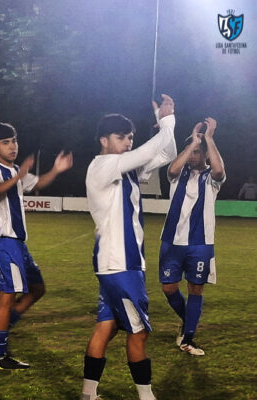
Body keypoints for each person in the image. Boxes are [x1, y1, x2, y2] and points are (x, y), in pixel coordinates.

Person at [82, 94, 177, 400]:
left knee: (106, 326)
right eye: (120, 137)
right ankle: (146, 396)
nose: (127, 142)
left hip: (119, 264)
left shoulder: (128, 169)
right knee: (139, 332)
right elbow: (149, 149)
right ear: (104, 140)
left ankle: (88, 394)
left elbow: (168, 152)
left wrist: (165, 123)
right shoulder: (103, 165)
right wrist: (167, 122)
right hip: (120, 265)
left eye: (130, 137)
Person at [0, 123, 73, 369]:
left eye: (14, 141)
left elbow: (39, 183)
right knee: (8, 294)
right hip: (3, 241)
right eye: (5, 142)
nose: (12, 146)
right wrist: (18, 177)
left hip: (18, 244)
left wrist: (56, 170)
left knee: (37, 288)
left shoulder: (15, 170)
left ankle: (1, 329)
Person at [159, 117, 225, 356]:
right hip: (172, 241)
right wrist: (192, 142)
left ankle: (188, 338)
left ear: (206, 154)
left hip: (200, 243)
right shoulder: (179, 175)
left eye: (198, 152)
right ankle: (188, 322)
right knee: (169, 288)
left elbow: (219, 170)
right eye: (191, 151)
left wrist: (208, 138)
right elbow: (171, 169)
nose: (193, 156)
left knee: (196, 289)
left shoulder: (211, 179)